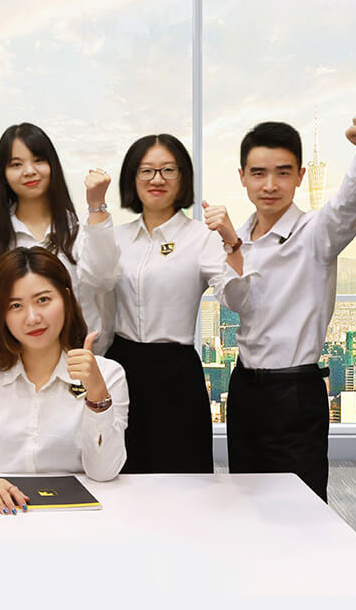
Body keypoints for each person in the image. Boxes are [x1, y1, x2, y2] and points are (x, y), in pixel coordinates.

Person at [203, 113, 356, 502]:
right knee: (247, 499)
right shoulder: (235, 238)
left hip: (295, 392)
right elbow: (235, 301)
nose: (270, 185)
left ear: (301, 176)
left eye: (283, 172)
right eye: (258, 173)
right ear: (242, 177)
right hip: (244, 389)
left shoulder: (316, 232)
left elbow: (348, 205)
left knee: (302, 506)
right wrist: (233, 245)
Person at [0, 247, 129, 513]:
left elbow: (104, 472)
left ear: (66, 298)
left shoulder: (108, 374)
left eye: (43, 300)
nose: (32, 317)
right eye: (15, 306)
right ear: (0, 313)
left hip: (79, 516)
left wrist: (97, 394)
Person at [79, 135, 223, 474]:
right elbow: (97, 280)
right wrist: (97, 208)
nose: (157, 179)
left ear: (183, 177)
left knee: (183, 476)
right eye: (146, 170)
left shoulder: (202, 237)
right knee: (119, 471)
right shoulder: (115, 236)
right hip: (122, 364)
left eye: (168, 170)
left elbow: (235, 297)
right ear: (132, 178)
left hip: (177, 372)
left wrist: (232, 243)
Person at [0, 122, 104, 360]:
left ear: (52, 165)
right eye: (16, 164)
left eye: (38, 160)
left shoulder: (82, 229)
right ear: (3, 174)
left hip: (76, 358)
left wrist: (96, 351)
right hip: (9, 363)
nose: (29, 171)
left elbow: (104, 284)